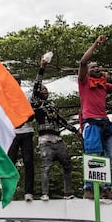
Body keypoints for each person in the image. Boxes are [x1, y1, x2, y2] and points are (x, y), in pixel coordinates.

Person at [78, 35, 112, 200]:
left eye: (98, 67)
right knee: (93, 155)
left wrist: (109, 77)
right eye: (93, 67)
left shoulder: (103, 85)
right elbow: (83, 62)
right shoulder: (84, 82)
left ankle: (106, 188)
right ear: (88, 72)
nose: (96, 68)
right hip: (91, 124)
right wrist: (95, 44)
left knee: (109, 156)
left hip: (105, 124)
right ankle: (89, 188)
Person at [32, 57, 79, 201]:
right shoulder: (36, 103)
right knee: (46, 167)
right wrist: (42, 67)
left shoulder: (52, 104)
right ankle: (45, 194)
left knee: (67, 165)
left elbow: (60, 120)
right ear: (39, 92)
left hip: (58, 139)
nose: (46, 91)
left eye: (47, 89)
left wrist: (75, 130)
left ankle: (68, 193)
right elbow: (37, 84)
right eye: (43, 89)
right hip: (45, 140)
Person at [8, 74, 35, 202]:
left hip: (26, 131)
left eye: (18, 80)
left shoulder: (26, 96)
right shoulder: (5, 96)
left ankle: (28, 192)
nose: (16, 82)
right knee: (10, 163)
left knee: (28, 162)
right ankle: (10, 191)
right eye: (14, 80)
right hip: (12, 133)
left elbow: (31, 115)